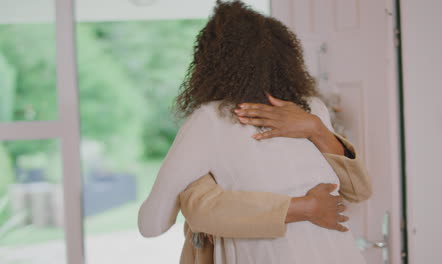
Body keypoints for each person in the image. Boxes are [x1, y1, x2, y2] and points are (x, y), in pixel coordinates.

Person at [138, 1, 369, 263]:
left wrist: (195, 188)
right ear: (285, 59)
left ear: (210, 63)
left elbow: (150, 224)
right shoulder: (311, 107)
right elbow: (356, 193)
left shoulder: (210, 119)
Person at [177, 95, 372, 264]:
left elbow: (359, 190)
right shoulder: (210, 122)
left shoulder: (306, 112)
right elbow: (201, 211)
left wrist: (316, 129)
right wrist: (308, 207)